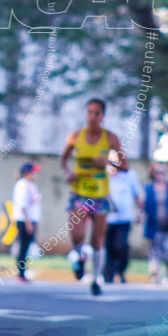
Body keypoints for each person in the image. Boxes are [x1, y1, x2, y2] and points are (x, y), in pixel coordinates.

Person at [59, 98, 128, 296]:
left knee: (97, 240)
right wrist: (68, 173)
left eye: (96, 113)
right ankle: (80, 257)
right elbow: (63, 159)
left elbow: (125, 166)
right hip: (80, 193)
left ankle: (96, 280)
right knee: (77, 235)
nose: (92, 116)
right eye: (89, 112)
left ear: (102, 116)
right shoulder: (75, 137)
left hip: (100, 196)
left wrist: (108, 162)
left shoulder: (111, 138)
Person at [103, 163, 143, 284]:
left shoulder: (129, 175)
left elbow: (137, 194)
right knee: (107, 246)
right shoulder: (103, 173)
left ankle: (120, 270)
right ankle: (108, 274)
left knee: (120, 245)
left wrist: (141, 211)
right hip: (106, 218)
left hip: (124, 217)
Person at [143, 163, 168, 284]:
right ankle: (155, 275)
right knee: (154, 250)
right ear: (153, 174)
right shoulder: (149, 188)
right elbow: (144, 205)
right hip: (154, 223)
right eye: (158, 172)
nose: (161, 175)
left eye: (163, 172)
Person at [11, 163, 42, 283]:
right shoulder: (22, 185)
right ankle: (21, 273)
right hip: (25, 220)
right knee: (23, 247)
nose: (36, 174)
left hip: (31, 220)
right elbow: (22, 205)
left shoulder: (31, 186)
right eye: (33, 172)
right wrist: (28, 222)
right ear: (27, 173)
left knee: (27, 247)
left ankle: (23, 272)